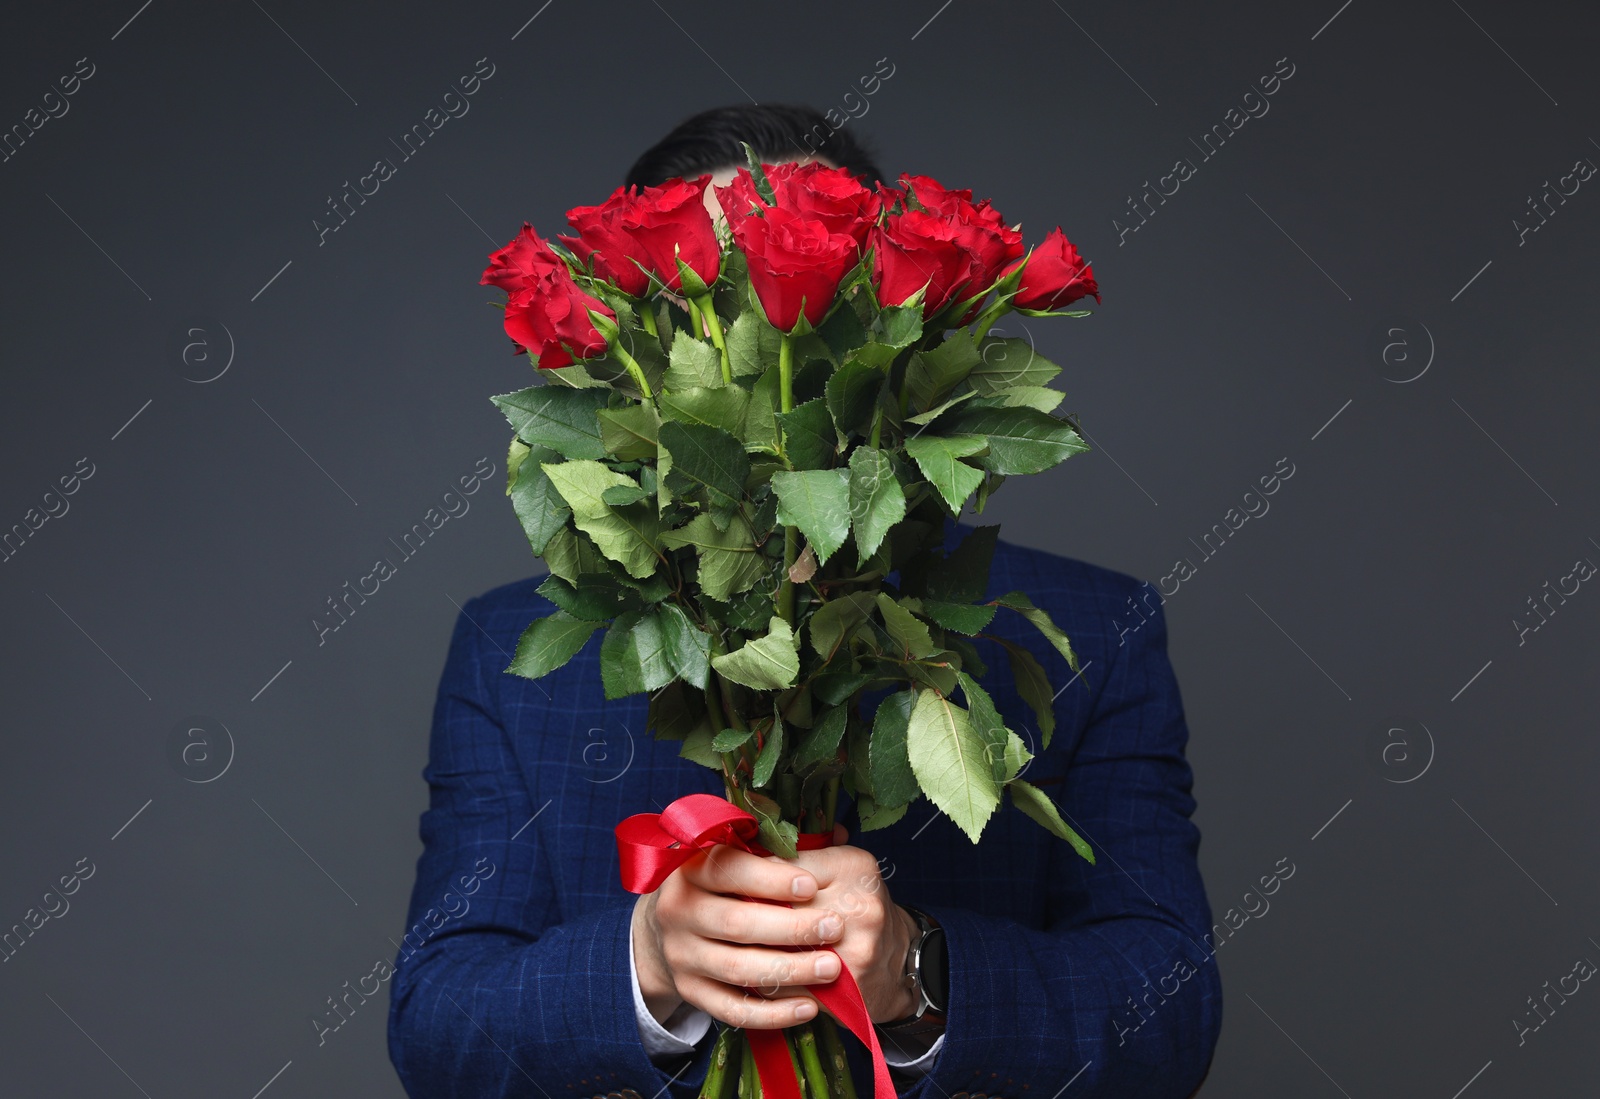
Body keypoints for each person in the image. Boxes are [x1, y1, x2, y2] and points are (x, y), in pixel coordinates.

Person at [387, 104, 1221, 1099]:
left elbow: (1168, 1019)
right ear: (635, 349)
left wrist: (918, 970)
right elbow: (439, 1027)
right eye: (716, 298)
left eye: (821, 286)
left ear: (896, 331)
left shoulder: (1095, 632)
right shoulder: (511, 648)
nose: (762, 348)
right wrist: (647, 965)